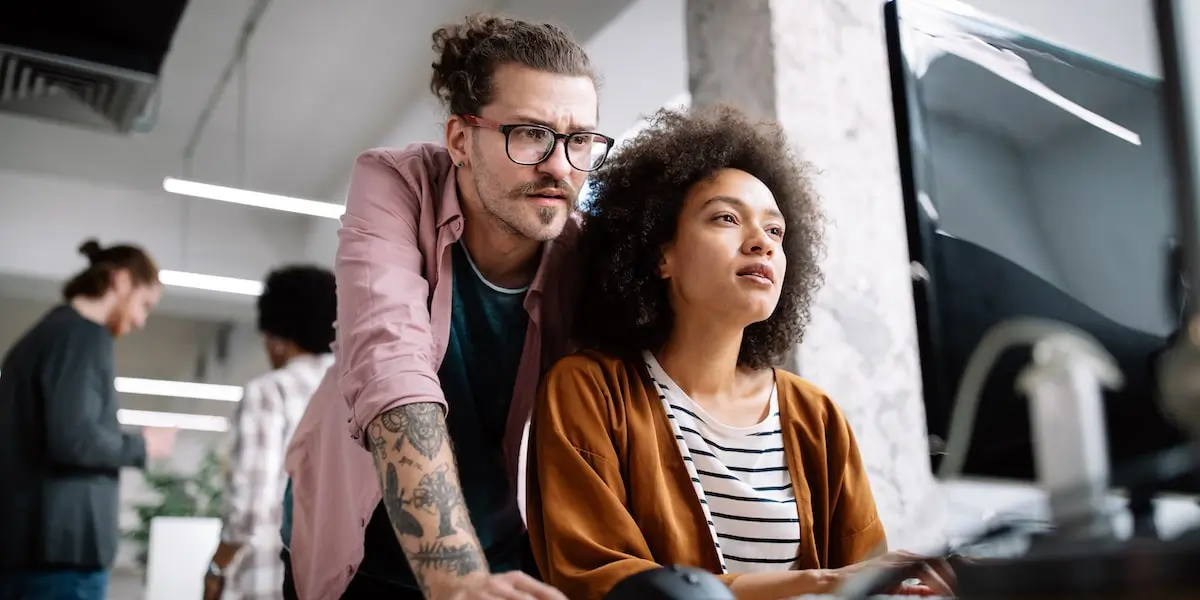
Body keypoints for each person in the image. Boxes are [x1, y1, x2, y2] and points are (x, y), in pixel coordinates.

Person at [525, 106, 956, 600]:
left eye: (775, 231)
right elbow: (596, 579)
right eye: (727, 218)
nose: (762, 244)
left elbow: (866, 582)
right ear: (661, 253)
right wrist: (818, 583)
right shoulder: (589, 391)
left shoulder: (816, 417)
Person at [283, 13, 613, 600]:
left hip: (511, 556)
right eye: (530, 133)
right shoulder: (395, 184)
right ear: (460, 140)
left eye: (579, 140)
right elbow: (389, 362)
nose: (560, 167)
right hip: (366, 550)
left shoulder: (584, 255)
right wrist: (458, 582)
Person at [0, 239, 175, 600]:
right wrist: (143, 444)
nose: (141, 321)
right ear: (121, 282)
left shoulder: (48, 335)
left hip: (32, 549)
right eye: (144, 305)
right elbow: (73, 439)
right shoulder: (82, 336)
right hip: (62, 556)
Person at [204, 266, 336, 600]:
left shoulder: (270, 392)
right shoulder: (353, 393)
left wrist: (217, 567)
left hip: (270, 575)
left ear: (277, 336)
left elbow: (250, 503)